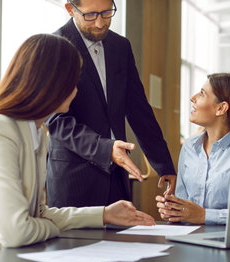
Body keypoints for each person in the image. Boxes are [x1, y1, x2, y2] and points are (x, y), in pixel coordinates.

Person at [0, 33, 154, 262]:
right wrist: (48, 226)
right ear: (50, 83)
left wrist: (105, 213)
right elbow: (17, 232)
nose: (76, 90)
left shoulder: (36, 132)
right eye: (73, 81)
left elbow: (39, 213)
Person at [46, 0, 176, 209]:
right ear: (70, 9)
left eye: (107, 13)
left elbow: (138, 109)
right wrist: (106, 150)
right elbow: (56, 121)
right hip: (74, 182)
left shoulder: (121, 46)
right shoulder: (55, 46)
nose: (100, 23)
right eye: (90, 15)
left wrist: (163, 164)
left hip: (117, 180)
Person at [156, 73, 230, 225]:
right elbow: (183, 204)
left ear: (221, 108)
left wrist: (204, 215)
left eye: (202, 93)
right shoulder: (189, 147)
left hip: (229, 241)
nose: (193, 98)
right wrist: (173, 210)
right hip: (187, 238)